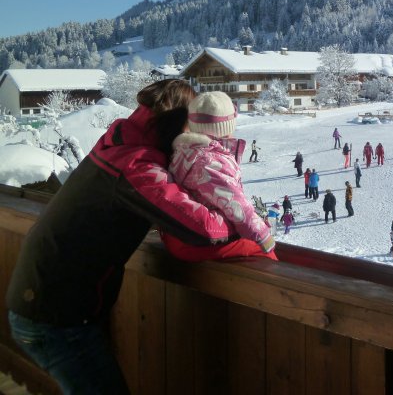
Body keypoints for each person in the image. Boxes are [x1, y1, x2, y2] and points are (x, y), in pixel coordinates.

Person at [5, 79, 243, 394]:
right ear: (177, 122)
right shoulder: (137, 165)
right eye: (192, 123)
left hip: (43, 302)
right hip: (54, 317)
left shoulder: (121, 141)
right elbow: (203, 229)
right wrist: (243, 222)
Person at [162, 91, 276, 261]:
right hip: (198, 241)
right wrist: (263, 235)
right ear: (226, 127)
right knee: (266, 254)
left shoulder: (185, 150)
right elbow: (236, 205)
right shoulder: (212, 161)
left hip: (181, 234)